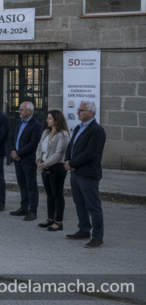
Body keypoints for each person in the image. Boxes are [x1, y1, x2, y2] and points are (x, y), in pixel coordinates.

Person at [65, 101, 106, 248]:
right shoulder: (78, 127)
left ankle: (97, 237)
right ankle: (84, 230)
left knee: (93, 206)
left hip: (88, 174)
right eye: (78, 110)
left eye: (81, 110)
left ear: (90, 113)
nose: (77, 113)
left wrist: (72, 163)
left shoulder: (97, 130)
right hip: (75, 173)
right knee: (79, 204)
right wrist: (67, 160)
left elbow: (90, 153)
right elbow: (71, 146)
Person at [35, 110, 71, 232]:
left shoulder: (63, 134)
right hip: (44, 167)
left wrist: (44, 164)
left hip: (57, 167)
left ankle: (58, 221)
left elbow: (58, 154)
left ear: (56, 120)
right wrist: (38, 161)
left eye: (49, 118)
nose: (47, 120)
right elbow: (39, 147)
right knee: (49, 194)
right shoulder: (46, 132)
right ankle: (50, 218)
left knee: (57, 195)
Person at [9, 102, 43, 221]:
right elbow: (13, 138)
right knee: (22, 184)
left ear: (30, 111)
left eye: (22, 110)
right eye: (19, 109)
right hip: (17, 159)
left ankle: (32, 211)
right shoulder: (19, 122)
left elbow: (34, 144)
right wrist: (14, 153)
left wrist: (19, 153)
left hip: (28, 160)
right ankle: (24, 208)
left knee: (31, 186)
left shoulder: (36, 125)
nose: (19, 111)